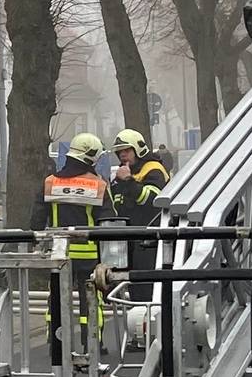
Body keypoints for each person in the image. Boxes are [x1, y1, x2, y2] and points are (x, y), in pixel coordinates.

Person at [42, 132, 111, 358]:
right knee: (90, 302)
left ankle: (56, 343)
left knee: (56, 300)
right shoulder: (97, 185)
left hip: (58, 254)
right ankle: (92, 345)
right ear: (92, 158)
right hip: (89, 255)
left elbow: (36, 219)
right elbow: (109, 221)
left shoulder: (50, 182)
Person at [108, 128, 172, 307]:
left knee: (146, 288)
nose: (122, 155)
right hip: (128, 239)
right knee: (133, 288)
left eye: (127, 151)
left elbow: (151, 201)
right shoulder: (122, 175)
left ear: (139, 149)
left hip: (149, 240)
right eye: (120, 152)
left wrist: (128, 181)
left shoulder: (153, 170)